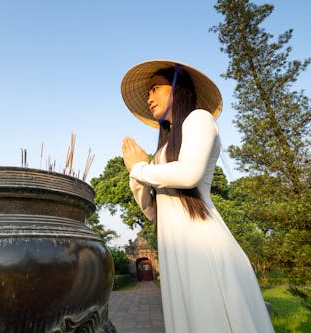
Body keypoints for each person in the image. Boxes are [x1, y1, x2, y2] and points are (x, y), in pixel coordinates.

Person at [120, 60, 274, 332]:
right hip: (175, 249)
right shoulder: (163, 150)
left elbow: (190, 174)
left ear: (178, 88)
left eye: (156, 88)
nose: (149, 97)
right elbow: (155, 211)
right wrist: (136, 173)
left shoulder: (199, 119)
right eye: (147, 92)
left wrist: (141, 168)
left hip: (202, 246)